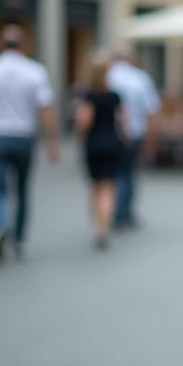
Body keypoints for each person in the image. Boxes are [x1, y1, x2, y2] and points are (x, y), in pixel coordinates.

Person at [0, 25, 60, 261]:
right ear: (23, 45)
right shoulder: (35, 71)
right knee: (22, 190)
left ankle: (1, 224)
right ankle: (18, 238)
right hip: (24, 137)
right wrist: (53, 140)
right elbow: (46, 110)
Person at [107, 45, 161, 229]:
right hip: (135, 132)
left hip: (109, 133)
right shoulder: (140, 78)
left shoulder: (106, 77)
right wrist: (151, 138)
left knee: (112, 174)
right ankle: (124, 212)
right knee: (128, 173)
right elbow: (151, 110)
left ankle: (113, 210)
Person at [78, 58, 126, 249]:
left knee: (96, 185)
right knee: (109, 187)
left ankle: (99, 224)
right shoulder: (114, 96)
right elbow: (124, 120)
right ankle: (104, 226)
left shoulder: (88, 96)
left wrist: (79, 135)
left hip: (94, 144)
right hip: (113, 142)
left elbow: (85, 122)